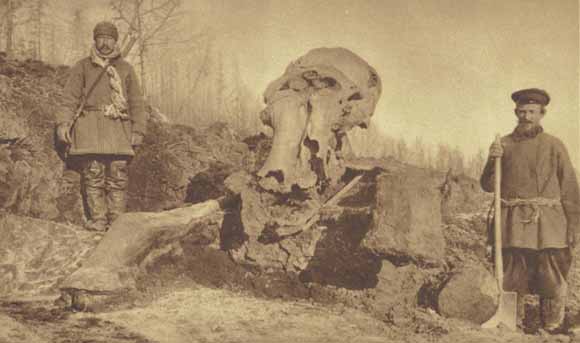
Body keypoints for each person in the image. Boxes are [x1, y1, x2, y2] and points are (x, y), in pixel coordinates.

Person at [480, 88, 580, 332]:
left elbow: (569, 187)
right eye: (522, 112)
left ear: (541, 114)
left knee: (552, 270)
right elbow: (486, 184)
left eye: (532, 112)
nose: (526, 117)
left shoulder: (554, 145)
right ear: (516, 112)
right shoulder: (502, 144)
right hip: (512, 221)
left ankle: (552, 325)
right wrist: (493, 160)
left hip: (549, 223)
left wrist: (574, 225)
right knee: (513, 271)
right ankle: (512, 322)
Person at [55, 21, 146, 232]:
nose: (105, 43)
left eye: (109, 38)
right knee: (93, 175)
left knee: (118, 177)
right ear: (95, 40)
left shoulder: (125, 69)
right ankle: (98, 220)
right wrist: (63, 124)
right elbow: (69, 98)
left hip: (118, 129)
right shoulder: (83, 66)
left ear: (115, 41)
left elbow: (136, 103)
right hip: (90, 129)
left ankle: (117, 224)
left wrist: (138, 130)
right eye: (101, 38)